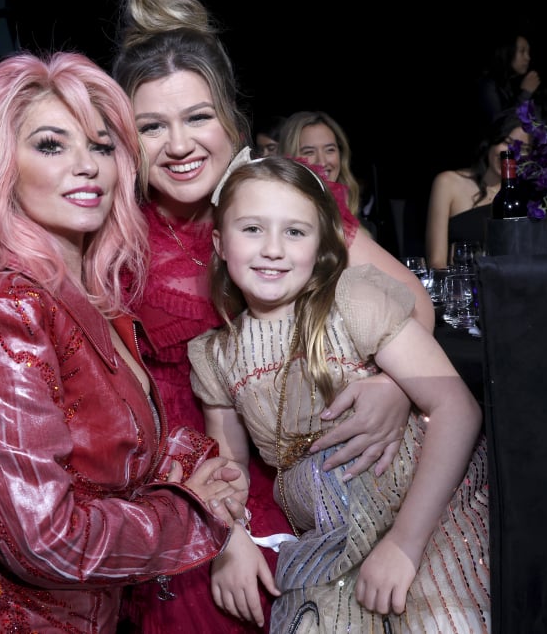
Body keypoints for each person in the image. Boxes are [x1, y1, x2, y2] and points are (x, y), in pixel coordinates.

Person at [109, 0, 436, 633]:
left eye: (198, 117)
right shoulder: (118, 242)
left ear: (232, 118)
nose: (179, 144)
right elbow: (135, 416)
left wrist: (391, 385)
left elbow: (412, 300)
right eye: (152, 126)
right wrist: (222, 528)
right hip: (202, 503)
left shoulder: (281, 199)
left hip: (333, 485)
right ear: (125, 138)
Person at [0, 50, 251, 632]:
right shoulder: (1, 305)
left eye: (100, 145)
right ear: (0, 164)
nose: (86, 165)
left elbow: (103, 446)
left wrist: (197, 464)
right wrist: (196, 513)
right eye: (50, 144)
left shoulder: (84, 290)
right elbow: (47, 540)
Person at [190, 156, 490, 632]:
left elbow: (457, 408)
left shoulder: (353, 302)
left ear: (322, 245)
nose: (273, 249)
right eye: (252, 229)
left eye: (295, 232)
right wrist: (232, 541)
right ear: (219, 243)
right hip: (329, 537)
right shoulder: (216, 355)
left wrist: (405, 543)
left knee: (444, 622)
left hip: (423, 514)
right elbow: (229, 471)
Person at [425, 110, 531, 269]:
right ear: (492, 141)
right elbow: (437, 262)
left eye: (523, 149)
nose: (511, 153)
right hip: (464, 286)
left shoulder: (527, 197)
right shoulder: (449, 183)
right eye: (507, 142)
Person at [277, 110, 363, 220]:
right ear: (290, 157)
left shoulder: (357, 221)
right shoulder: (278, 213)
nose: (322, 162)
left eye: (330, 150)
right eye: (309, 152)